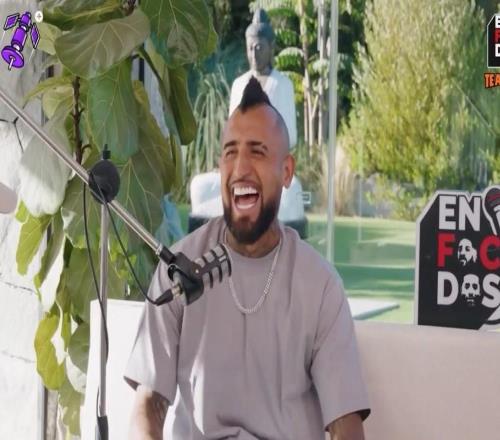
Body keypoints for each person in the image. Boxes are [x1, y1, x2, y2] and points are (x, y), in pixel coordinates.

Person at [125, 78, 370, 440]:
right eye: (230, 152)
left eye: (257, 152)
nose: (240, 168)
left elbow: (345, 424)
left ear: (286, 171)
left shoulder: (319, 285)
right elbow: (148, 403)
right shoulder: (180, 270)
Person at [229, 8, 297, 148]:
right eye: (250, 48)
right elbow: (231, 130)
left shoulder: (283, 84)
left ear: (271, 47)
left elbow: (290, 135)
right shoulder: (239, 85)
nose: (254, 55)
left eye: (259, 48)